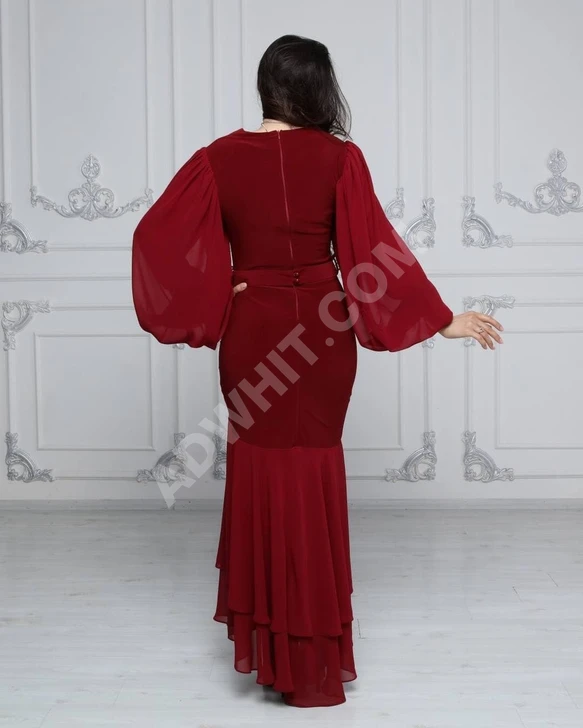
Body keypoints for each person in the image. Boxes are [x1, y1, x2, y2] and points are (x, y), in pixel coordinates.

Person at [131, 34, 503, 708]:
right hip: (323, 338)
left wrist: (222, 292)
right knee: (313, 469)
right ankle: (313, 659)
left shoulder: (217, 159)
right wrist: (440, 318)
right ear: (317, 90)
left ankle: (273, 649)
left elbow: (154, 237)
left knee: (262, 469)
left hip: (254, 332)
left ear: (265, 86)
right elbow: (373, 248)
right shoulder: (339, 158)